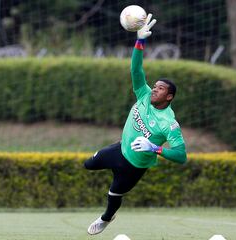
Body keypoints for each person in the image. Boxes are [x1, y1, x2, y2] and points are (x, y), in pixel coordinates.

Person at [84, 13, 187, 235]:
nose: (155, 89)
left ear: (169, 97)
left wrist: (155, 149)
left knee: (113, 196)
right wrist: (140, 41)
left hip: (135, 166)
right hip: (119, 148)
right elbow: (136, 70)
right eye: (156, 85)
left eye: (161, 88)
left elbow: (181, 155)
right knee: (88, 165)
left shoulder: (169, 123)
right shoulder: (143, 94)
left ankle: (106, 219)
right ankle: (111, 154)